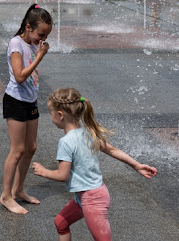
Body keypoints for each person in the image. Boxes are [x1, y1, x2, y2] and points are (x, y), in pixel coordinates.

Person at [32, 87, 157, 241]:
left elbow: (62, 175)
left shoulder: (65, 142)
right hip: (85, 195)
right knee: (60, 223)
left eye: (50, 113)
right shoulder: (87, 132)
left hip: (92, 199)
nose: (50, 117)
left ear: (60, 115)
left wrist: (44, 172)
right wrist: (136, 165)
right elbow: (112, 150)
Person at [0, 4, 53, 215]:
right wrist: (40, 56)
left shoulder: (32, 43)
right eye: (41, 34)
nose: (43, 39)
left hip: (30, 101)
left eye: (46, 35)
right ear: (28, 26)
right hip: (15, 100)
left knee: (31, 147)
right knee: (18, 149)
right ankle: (6, 196)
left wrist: (37, 50)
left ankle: (19, 190)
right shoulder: (16, 44)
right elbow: (20, 76)